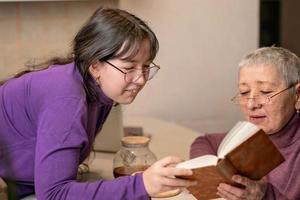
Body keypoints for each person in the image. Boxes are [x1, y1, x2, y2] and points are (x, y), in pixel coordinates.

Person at [0, 7, 196, 200]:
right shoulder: (67, 100)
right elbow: (53, 195)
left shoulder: (97, 89)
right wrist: (142, 185)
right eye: (129, 67)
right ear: (95, 66)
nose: (141, 79)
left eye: (145, 67)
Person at [190, 47, 300, 200]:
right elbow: (204, 141)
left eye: (266, 92)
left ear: (297, 95)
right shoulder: (252, 135)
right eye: (244, 92)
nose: (251, 105)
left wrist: (264, 196)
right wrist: (209, 172)